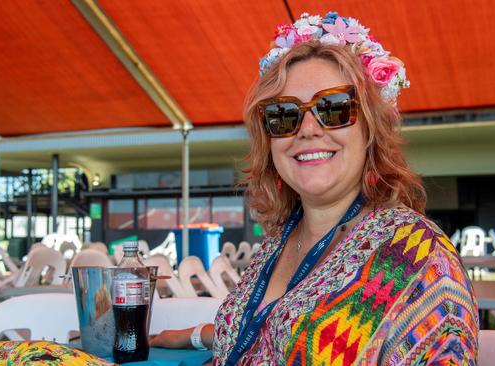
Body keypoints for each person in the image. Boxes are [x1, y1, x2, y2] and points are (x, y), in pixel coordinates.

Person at [152, 12, 478, 365]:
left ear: (370, 130)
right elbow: (276, 328)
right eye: (284, 113)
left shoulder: (419, 259)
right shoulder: (282, 236)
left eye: (333, 107)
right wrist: (197, 336)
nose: (307, 129)